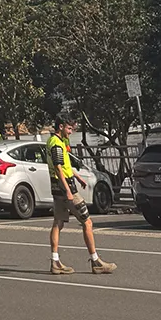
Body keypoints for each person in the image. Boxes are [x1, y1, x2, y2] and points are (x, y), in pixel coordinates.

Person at [46, 118, 116, 275]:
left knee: (58, 223)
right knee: (87, 222)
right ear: (61, 127)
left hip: (56, 188)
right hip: (65, 188)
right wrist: (68, 190)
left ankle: (55, 261)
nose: (71, 132)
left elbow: (65, 165)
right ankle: (96, 261)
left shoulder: (54, 141)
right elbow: (58, 168)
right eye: (69, 129)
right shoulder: (57, 143)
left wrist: (77, 177)